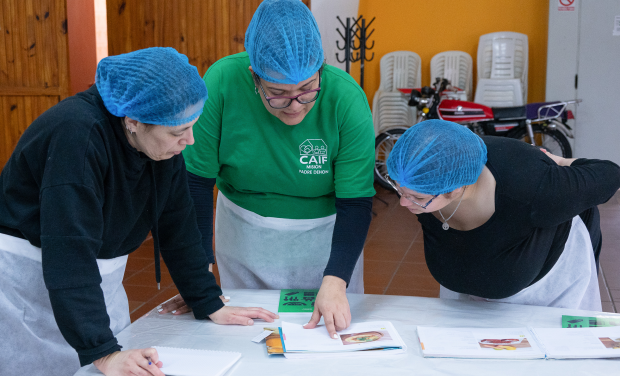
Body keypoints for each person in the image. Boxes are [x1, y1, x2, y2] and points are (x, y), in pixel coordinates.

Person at [0, 47, 277, 376]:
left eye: (191, 128)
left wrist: (207, 301)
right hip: (30, 279)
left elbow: (178, 226)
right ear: (132, 121)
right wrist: (103, 351)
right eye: (177, 132)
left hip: (92, 279)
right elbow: (69, 251)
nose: (189, 141)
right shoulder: (76, 136)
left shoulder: (159, 143)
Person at [160, 0, 375, 338]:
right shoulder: (222, 81)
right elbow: (196, 184)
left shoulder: (346, 99)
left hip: (327, 239)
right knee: (248, 338)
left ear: (319, 69)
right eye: (278, 94)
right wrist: (198, 276)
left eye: (307, 91)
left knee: (327, 341)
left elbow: (356, 202)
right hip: (245, 232)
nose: (295, 107)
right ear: (254, 77)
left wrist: (335, 281)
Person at [385, 119, 620, 310]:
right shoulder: (424, 172)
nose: (404, 203)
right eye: (398, 189)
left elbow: (610, 174)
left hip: (548, 281)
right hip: (488, 271)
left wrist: (562, 161)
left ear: (455, 189)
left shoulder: (536, 187)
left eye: (417, 197)